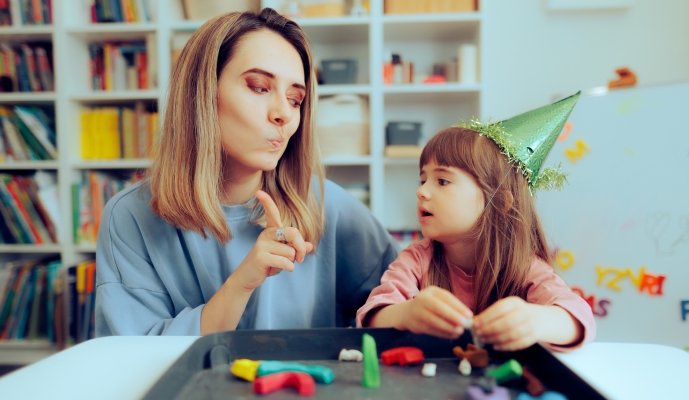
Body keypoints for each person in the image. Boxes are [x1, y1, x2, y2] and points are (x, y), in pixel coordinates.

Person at [95, 8, 398, 336]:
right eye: (259, 87)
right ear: (203, 94)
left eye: (296, 99)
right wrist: (240, 285)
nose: (284, 112)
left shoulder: (330, 206)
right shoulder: (128, 218)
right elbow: (135, 358)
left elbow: (399, 301)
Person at [356, 93, 596, 352]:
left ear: (500, 201)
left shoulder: (523, 266)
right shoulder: (416, 259)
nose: (422, 191)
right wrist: (405, 314)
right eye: (422, 179)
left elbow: (579, 318)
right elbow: (372, 316)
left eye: (442, 181)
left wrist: (535, 321)